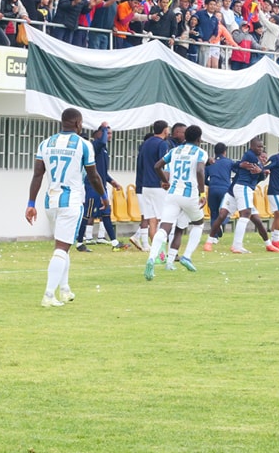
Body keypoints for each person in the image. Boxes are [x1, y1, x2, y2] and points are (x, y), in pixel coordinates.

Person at [25, 108, 106, 308]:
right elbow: (94, 176)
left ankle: (65, 289)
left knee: (63, 246)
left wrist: (30, 203)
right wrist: (104, 196)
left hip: (50, 202)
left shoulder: (46, 143)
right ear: (78, 124)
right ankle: (48, 294)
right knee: (62, 248)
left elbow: (37, 175)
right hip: (71, 202)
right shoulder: (84, 145)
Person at [143, 124, 208, 280]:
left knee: (164, 227)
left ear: (186, 137)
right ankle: (186, 256)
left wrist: (165, 181)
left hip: (172, 194)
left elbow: (158, 166)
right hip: (189, 194)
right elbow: (199, 170)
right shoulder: (200, 152)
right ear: (199, 139)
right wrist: (202, 192)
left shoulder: (175, 150)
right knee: (199, 223)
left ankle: (151, 257)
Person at [75, 122, 123, 252]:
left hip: (102, 187)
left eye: (111, 133)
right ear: (99, 134)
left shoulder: (104, 149)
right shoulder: (95, 145)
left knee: (106, 213)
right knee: (87, 214)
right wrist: (103, 127)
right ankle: (80, 242)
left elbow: (102, 171)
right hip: (92, 186)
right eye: (108, 133)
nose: (110, 136)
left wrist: (112, 181)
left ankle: (114, 242)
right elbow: (101, 142)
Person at [230, 137, 279, 253]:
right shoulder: (250, 155)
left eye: (262, 147)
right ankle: (236, 245)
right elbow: (259, 170)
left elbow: (260, 175)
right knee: (245, 214)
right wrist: (262, 171)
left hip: (247, 189)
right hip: (243, 187)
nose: (261, 149)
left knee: (257, 219)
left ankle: (268, 244)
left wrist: (261, 171)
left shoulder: (255, 158)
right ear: (252, 146)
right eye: (258, 146)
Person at [134, 120, 171, 253]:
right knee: (162, 218)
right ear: (165, 130)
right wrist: (165, 180)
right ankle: (160, 249)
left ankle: (154, 249)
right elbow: (163, 164)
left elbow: (141, 165)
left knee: (151, 219)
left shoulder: (145, 143)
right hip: (157, 185)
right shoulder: (162, 144)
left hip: (146, 186)